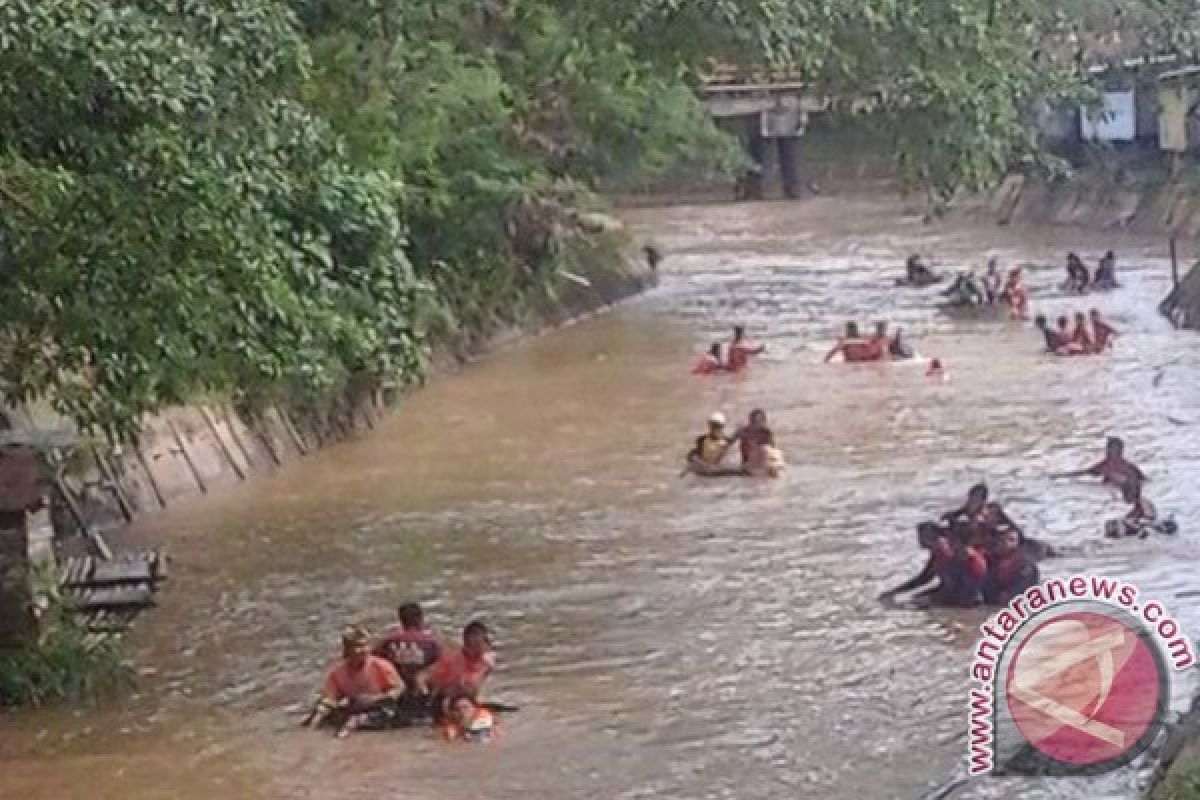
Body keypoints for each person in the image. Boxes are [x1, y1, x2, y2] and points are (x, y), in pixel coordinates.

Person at [308, 625, 404, 736]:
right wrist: (317, 717)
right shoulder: (338, 673)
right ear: (347, 649)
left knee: (360, 719)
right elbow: (330, 699)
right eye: (357, 646)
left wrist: (377, 699)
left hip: (382, 708)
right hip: (355, 706)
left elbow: (399, 689)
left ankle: (344, 734)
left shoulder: (381, 666)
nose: (362, 650)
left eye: (365, 645)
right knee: (319, 711)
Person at [878, 522, 987, 607]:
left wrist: (932, 599)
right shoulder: (939, 552)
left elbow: (960, 587)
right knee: (912, 600)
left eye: (922, 536)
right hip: (953, 593)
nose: (919, 540)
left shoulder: (946, 553)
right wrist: (895, 592)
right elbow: (925, 578)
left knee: (912, 604)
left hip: (965, 599)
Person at [373, 602, 442, 715]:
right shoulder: (431, 642)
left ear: (401, 620)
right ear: (420, 619)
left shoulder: (389, 641)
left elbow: (372, 660)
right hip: (421, 694)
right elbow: (442, 665)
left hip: (397, 694)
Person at [428, 620, 496, 721]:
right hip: (446, 701)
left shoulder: (485, 662)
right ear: (473, 642)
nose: (487, 643)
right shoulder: (455, 660)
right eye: (484, 640)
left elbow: (475, 688)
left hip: (467, 700)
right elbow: (438, 688)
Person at [940, 483, 1024, 551]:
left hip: (989, 542)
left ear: (983, 500)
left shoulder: (992, 510)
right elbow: (956, 514)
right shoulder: (969, 508)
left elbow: (1011, 526)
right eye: (971, 497)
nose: (972, 501)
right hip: (972, 541)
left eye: (976, 498)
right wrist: (949, 516)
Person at [1058, 436, 1146, 488]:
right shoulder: (1103, 465)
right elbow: (1083, 472)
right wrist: (1060, 476)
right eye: (1108, 448)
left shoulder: (1129, 467)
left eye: (1111, 448)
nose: (1108, 451)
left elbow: (1144, 480)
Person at [982, 529, 1039, 605]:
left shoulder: (1026, 566)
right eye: (1002, 539)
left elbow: (1019, 592)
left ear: (1018, 544)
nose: (1006, 542)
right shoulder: (992, 561)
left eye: (1011, 540)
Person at [1105, 479, 1177, 538]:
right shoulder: (1139, 505)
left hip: (1143, 526)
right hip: (1137, 526)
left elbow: (1148, 520)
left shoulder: (1144, 506)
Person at [732, 409, 776, 476]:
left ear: (764, 422)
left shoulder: (766, 432)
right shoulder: (743, 431)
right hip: (746, 466)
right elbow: (726, 445)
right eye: (755, 422)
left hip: (761, 465)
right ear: (750, 422)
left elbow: (773, 451)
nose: (757, 425)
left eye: (759, 422)